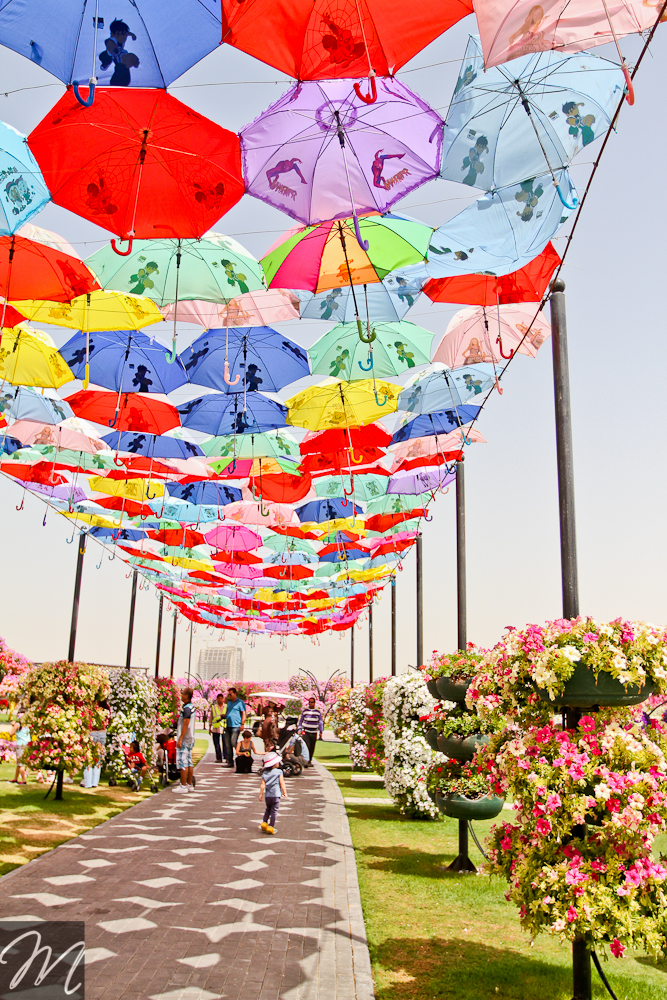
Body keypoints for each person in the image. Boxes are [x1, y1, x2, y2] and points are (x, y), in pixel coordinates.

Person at [82, 698, 109, 789]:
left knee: (88, 757)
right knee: (98, 758)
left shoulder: (91, 707)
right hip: (102, 732)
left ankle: (88, 782)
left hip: (92, 732)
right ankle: (95, 782)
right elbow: (108, 720)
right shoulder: (105, 707)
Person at [258, 751, 287, 835]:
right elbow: (282, 783)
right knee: (274, 811)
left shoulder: (265, 773)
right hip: (276, 795)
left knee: (268, 809)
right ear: (274, 764)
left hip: (268, 796)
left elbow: (263, 785)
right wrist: (285, 792)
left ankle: (264, 822)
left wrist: (261, 794)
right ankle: (271, 826)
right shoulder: (279, 772)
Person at [173, 687, 196, 793]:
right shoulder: (192, 707)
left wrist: (180, 738)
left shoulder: (186, 709)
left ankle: (183, 785)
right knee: (189, 761)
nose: (181, 695)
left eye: (182, 694)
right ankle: (189, 784)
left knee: (183, 761)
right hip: (190, 737)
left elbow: (185, 724)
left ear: (187, 695)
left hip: (185, 738)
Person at [222, 687, 246, 768]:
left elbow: (244, 713)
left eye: (231, 694)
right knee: (228, 744)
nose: (229, 696)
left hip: (236, 726)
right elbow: (227, 713)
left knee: (233, 742)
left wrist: (242, 723)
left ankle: (243, 754)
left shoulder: (240, 702)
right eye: (228, 694)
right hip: (228, 725)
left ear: (235, 694)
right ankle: (230, 762)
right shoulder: (228, 702)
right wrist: (224, 716)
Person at [297, 697, 324, 767]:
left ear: (314, 703)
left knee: (312, 747)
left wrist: (321, 731)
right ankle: (305, 761)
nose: (310, 703)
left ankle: (309, 761)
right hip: (306, 731)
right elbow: (301, 721)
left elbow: (320, 722)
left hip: (314, 732)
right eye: (309, 702)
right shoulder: (305, 711)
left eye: (312, 702)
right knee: (306, 746)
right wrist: (299, 729)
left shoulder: (317, 712)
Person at [7, 714, 29, 785]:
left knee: (20, 763)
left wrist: (13, 726)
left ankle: (23, 780)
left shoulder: (18, 725)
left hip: (20, 745)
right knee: (19, 763)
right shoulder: (28, 724)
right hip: (27, 744)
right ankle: (15, 778)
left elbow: (11, 733)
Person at [209, 692, 226, 764]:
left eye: (221, 698)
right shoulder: (214, 707)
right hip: (215, 726)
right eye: (218, 698)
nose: (220, 700)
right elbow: (211, 717)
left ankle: (226, 757)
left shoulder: (226, 706)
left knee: (225, 743)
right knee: (216, 743)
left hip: (224, 726)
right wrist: (210, 726)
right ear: (217, 699)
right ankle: (219, 758)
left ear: (223, 699)